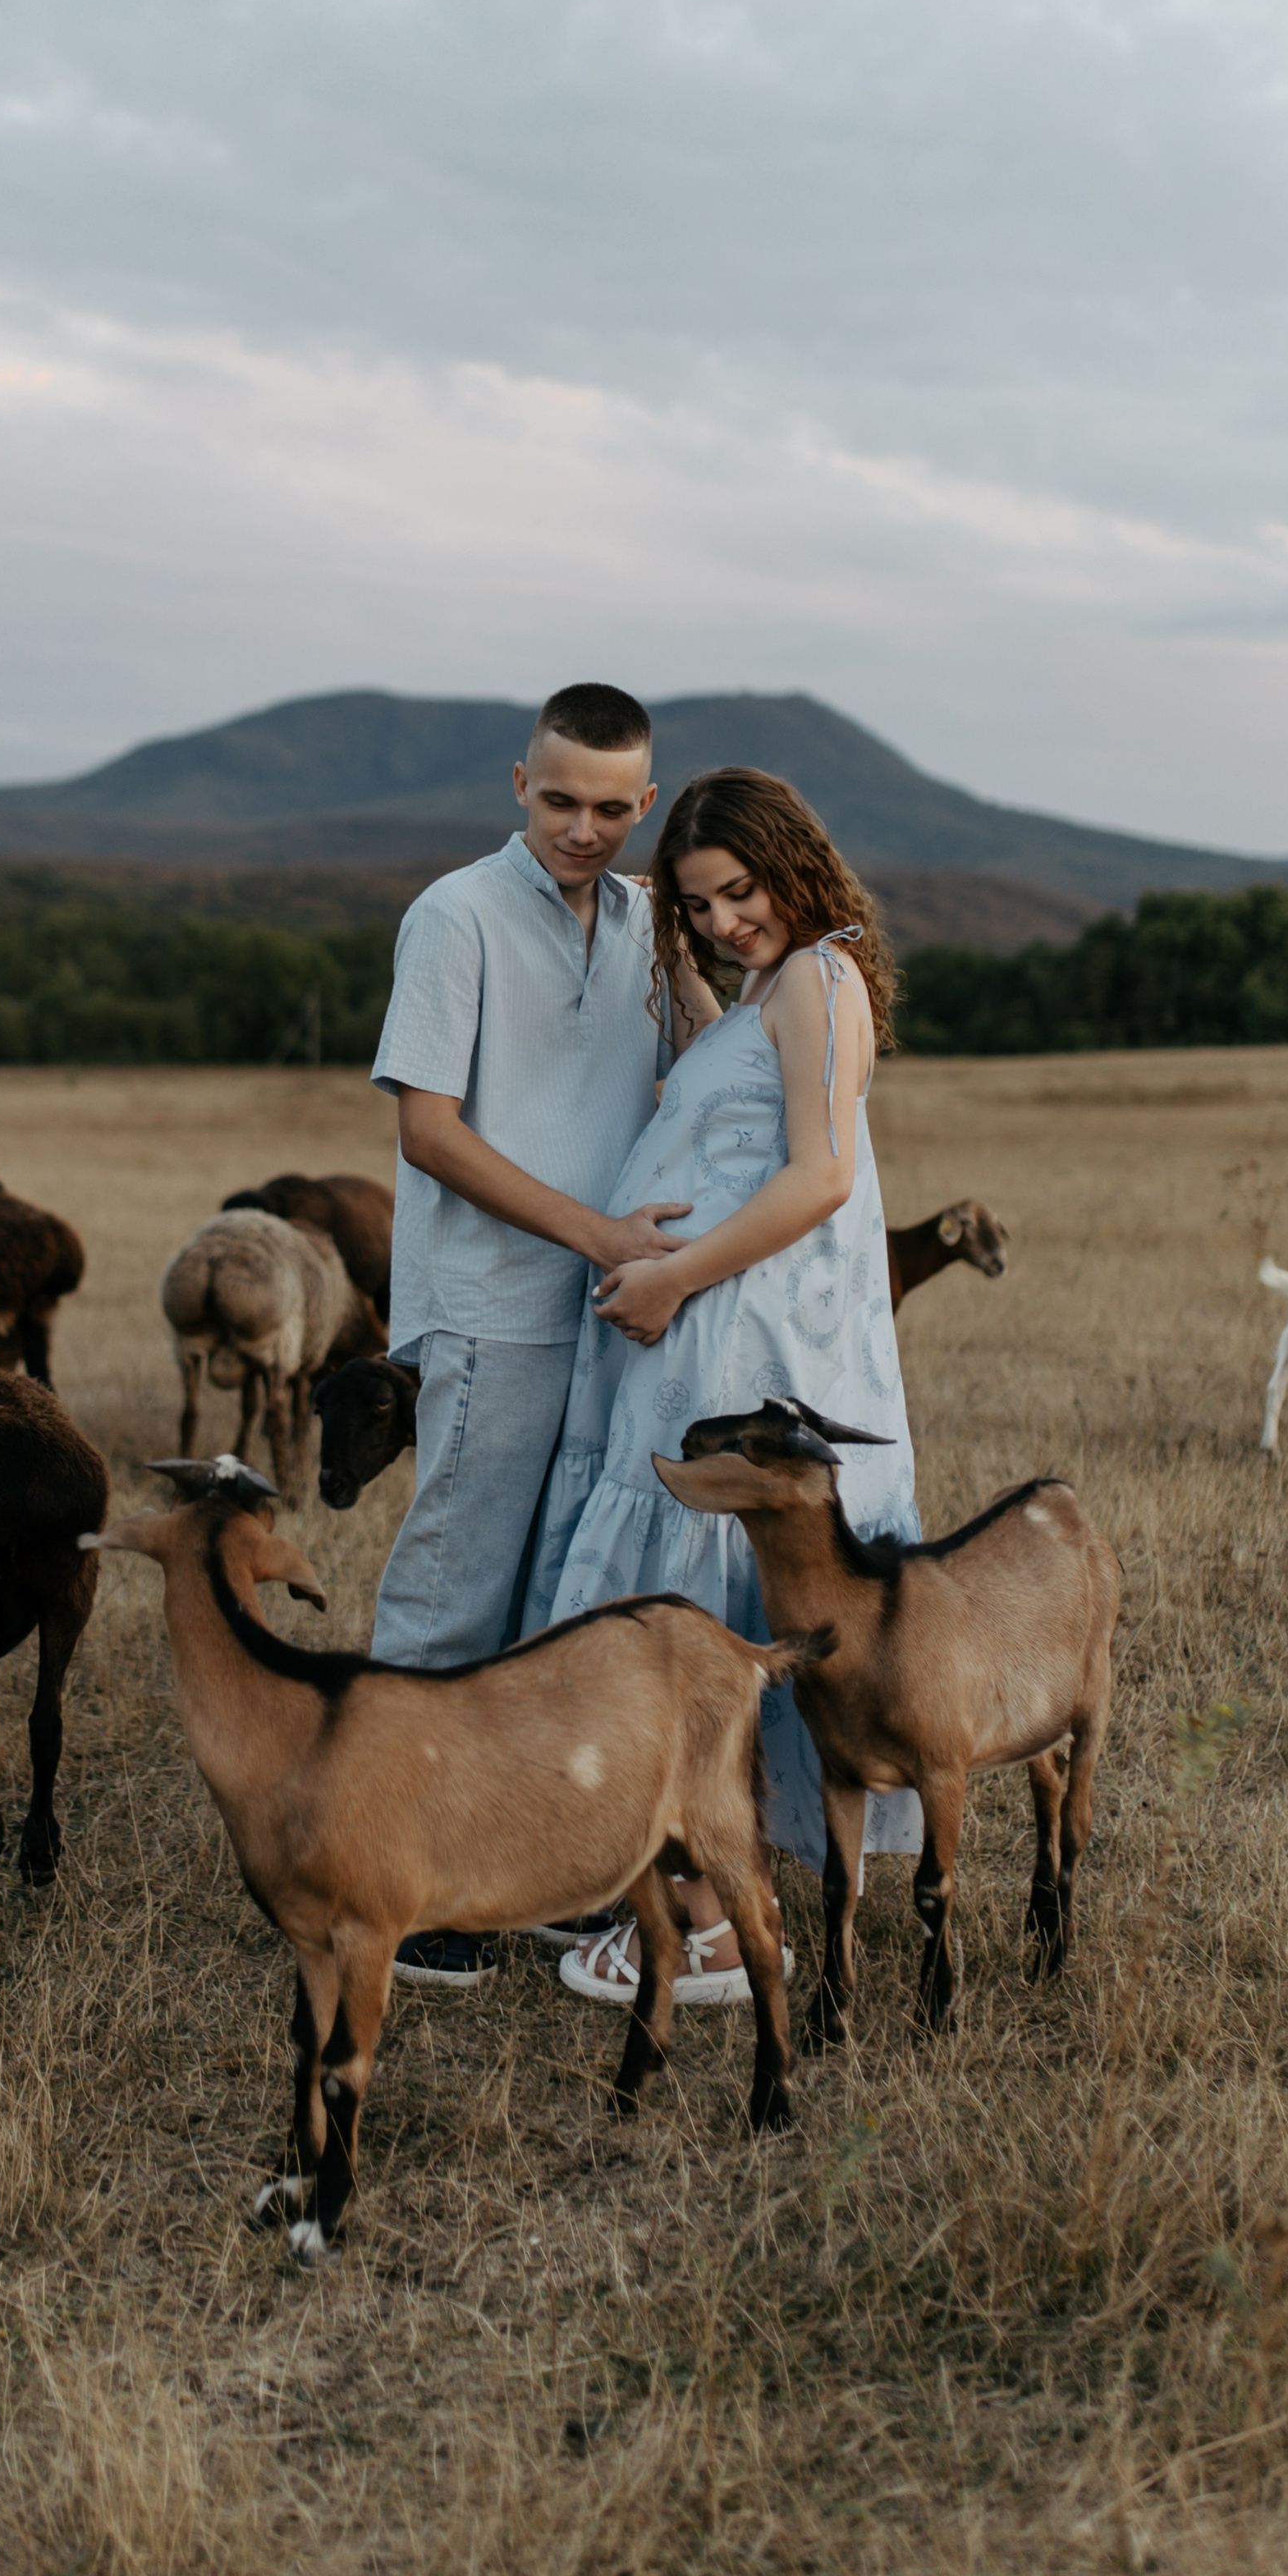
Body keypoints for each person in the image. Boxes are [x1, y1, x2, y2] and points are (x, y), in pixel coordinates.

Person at [520, 764, 925, 2006]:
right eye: (696, 905)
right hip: (707, 1334)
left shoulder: (819, 976)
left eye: (737, 893)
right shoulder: (773, 983)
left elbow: (817, 1180)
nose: (721, 921)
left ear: (792, 862)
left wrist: (671, 1280)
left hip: (744, 1342)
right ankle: (664, 1875)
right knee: (696, 1621)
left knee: (707, 1630)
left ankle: (703, 1926)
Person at [368, 680, 720, 1986]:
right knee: (453, 1589)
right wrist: (597, 1234)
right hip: (496, 1307)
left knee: (560, 1596)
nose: (585, 829)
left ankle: (537, 1864)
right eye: (561, 799)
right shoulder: (452, 916)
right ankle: (401, 1879)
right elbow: (429, 1130)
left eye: (615, 808)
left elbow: (713, 1056)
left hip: (621, 1317)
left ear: (646, 803)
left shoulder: (645, 919)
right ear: (521, 787)